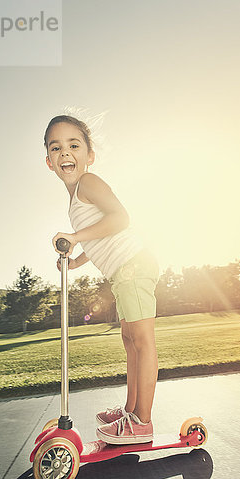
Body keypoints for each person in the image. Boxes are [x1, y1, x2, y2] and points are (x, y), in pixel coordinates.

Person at [44, 114, 159, 444]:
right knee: (129, 341)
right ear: (49, 162)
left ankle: (143, 422)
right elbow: (98, 238)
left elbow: (120, 219)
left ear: (89, 156)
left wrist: (76, 236)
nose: (65, 152)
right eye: (57, 147)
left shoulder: (89, 182)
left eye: (74, 145)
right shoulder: (75, 200)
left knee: (142, 340)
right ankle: (131, 411)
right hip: (122, 271)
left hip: (133, 265)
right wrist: (76, 258)